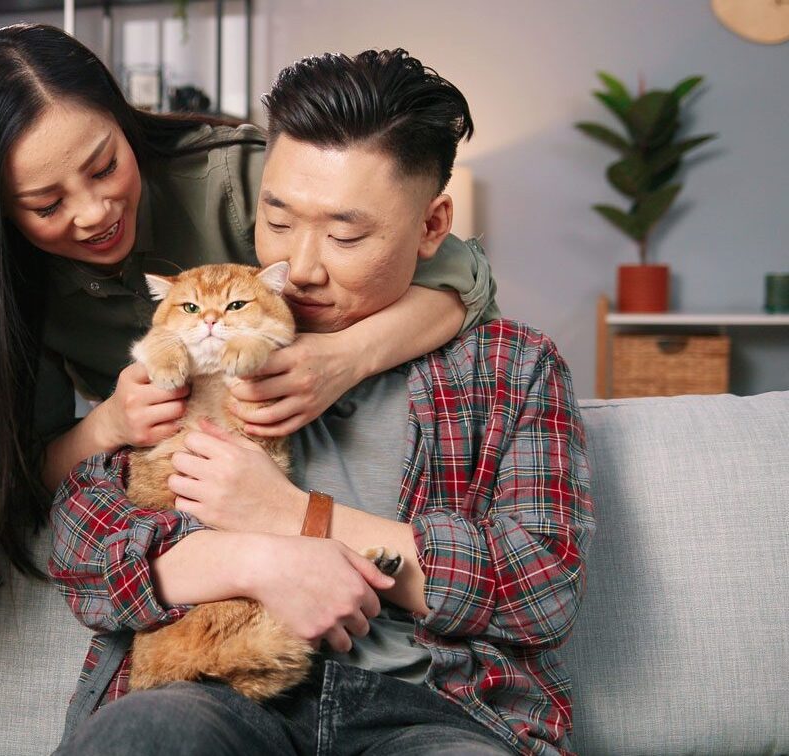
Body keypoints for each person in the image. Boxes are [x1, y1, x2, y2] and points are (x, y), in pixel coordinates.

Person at [0, 24, 499, 692]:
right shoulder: (8, 288)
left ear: (126, 124)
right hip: (195, 517)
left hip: (337, 482)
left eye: (104, 167)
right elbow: (21, 479)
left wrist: (342, 358)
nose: (95, 212)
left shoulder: (236, 182)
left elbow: (461, 275)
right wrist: (105, 429)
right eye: (46, 204)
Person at [49, 49, 595, 756]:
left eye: (345, 235)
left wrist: (292, 516)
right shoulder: (209, 338)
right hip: (213, 693)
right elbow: (81, 542)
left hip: (436, 710)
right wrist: (251, 561)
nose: (302, 268)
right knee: (143, 736)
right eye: (276, 220)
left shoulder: (512, 369)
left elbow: (541, 586)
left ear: (432, 227)